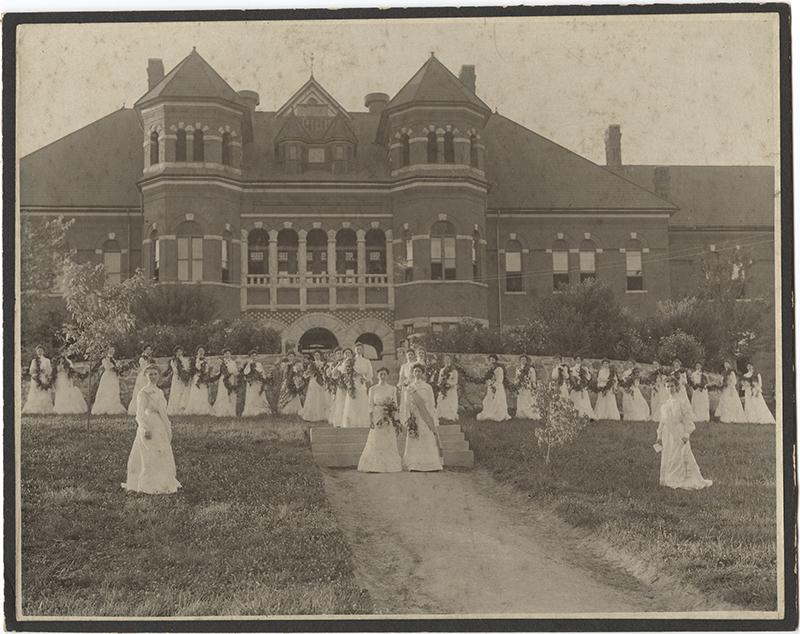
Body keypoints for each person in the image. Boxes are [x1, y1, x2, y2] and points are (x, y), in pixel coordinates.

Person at [122, 364, 181, 494]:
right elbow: (140, 413)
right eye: (150, 374)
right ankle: (148, 483)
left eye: (155, 374)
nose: (153, 377)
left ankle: (163, 481)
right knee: (150, 453)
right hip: (149, 424)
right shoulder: (143, 392)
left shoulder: (159, 391)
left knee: (162, 451)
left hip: (159, 424)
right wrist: (144, 428)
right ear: (145, 376)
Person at [654, 378, 712, 490]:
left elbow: (688, 421)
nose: (670, 389)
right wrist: (659, 436)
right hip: (667, 434)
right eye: (667, 386)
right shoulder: (664, 404)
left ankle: (677, 478)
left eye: (672, 386)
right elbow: (662, 422)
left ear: (676, 387)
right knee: (668, 455)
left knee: (679, 455)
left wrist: (686, 435)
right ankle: (668, 478)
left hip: (679, 433)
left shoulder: (682, 402)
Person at [358, 367, 403, 473]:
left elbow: (395, 404)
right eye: (380, 374)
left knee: (388, 439)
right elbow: (370, 405)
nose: (382, 377)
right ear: (377, 376)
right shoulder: (373, 389)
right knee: (376, 439)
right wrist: (371, 420)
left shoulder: (393, 389)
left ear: (388, 376)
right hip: (377, 415)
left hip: (388, 415)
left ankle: (389, 464)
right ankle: (375, 465)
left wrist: (393, 416)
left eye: (384, 374)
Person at [402, 363, 443, 472]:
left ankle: (431, 464)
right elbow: (406, 405)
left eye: (419, 371)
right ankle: (414, 464)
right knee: (415, 438)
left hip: (425, 417)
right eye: (415, 371)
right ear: (412, 373)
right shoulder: (410, 388)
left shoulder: (427, 387)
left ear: (423, 373)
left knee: (426, 437)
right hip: (414, 417)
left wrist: (431, 417)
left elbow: (431, 404)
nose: (417, 373)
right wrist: (408, 418)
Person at [341, 344, 374, 428]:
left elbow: (369, 375)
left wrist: (365, 378)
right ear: (354, 350)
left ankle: (363, 423)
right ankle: (351, 423)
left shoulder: (366, 361)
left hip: (361, 382)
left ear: (362, 350)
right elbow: (343, 370)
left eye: (360, 349)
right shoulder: (351, 360)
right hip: (353, 382)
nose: (359, 351)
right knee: (352, 400)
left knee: (362, 400)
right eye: (357, 349)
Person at [91, 346, 127, 415]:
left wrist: (118, 368)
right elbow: (107, 366)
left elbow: (116, 366)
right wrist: (114, 367)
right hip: (108, 376)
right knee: (106, 390)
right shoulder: (104, 359)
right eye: (111, 349)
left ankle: (113, 407)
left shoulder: (113, 359)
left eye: (113, 350)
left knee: (113, 391)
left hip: (113, 376)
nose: (112, 351)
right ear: (107, 350)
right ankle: (103, 408)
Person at [476, 354, 511, 421]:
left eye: (493, 359)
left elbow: (500, 379)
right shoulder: (490, 368)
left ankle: (499, 414)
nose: (492, 361)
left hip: (498, 386)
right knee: (490, 399)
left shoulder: (499, 368)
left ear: (496, 360)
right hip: (491, 385)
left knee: (498, 400)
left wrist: (495, 386)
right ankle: (489, 413)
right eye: (490, 360)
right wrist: (490, 384)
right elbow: (488, 377)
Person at [22, 345, 54, 415]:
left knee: (44, 391)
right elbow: (31, 370)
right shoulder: (34, 361)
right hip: (36, 378)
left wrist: (46, 375)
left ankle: (45, 409)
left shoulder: (47, 360)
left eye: (41, 350)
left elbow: (49, 370)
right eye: (38, 350)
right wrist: (36, 373)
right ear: (36, 352)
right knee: (36, 392)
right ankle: (35, 408)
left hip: (44, 377)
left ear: (43, 351)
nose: (40, 352)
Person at [241, 350, 273, 417]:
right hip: (253, 382)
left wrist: (264, 379)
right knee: (253, 395)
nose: (254, 357)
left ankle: (261, 410)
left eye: (255, 356)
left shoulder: (259, 364)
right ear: (250, 356)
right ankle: (253, 410)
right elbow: (246, 373)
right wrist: (251, 377)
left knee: (260, 394)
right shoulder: (249, 364)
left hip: (259, 383)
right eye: (253, 356)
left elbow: (262, 373)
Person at [300, 351, 329, 422]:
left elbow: (325, 373)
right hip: (313, 381)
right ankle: (311, 414)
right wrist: (309, 372)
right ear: (313, 356)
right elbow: (306, 374)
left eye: (318, 355)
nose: (316, 356)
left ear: (320, 356)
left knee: (320, 396)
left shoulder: (323, 364)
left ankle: (320, 414)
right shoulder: (311, 364)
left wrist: (321, 372)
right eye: (315, 355)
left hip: (320, 382)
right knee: (312, 396)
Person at [184, 347, 212, 415]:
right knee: (196, 391)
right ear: (197, 352)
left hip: (203, 378)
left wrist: (205, 375)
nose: (201, 352)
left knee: (203, 391)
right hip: (197, 377)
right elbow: (197, 367)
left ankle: (203, 409)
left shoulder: (205, 360)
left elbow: (207, 369)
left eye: (202, 350)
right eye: (200, 350)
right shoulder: (195, 359)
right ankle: (195, 408)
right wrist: (198, 360)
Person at [127, 345, 154, 416]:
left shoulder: (150, 358)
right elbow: (144, 368)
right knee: (141, 392)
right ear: (144, 350)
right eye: (147, 349)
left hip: (148, 375)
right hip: (143, 376)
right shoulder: (142, 358)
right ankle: (137, 409)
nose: (148, 351)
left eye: (150, 349)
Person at [211, 348, 239, 417]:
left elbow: (236, 371)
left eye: (229, 353)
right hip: (223, 379)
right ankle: (222, 411)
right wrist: (218, 364)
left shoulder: (233, 362)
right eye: (226, 353)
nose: (227, 355)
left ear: (230, 354)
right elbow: (215, 371)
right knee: (223, 393)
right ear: (223, 354)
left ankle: (230, 411)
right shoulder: (221, 362)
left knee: (230, 393)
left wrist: (233, 374)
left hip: (230, 379)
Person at [166, 346, 191, 415]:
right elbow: (175, 369)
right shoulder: (173, 360)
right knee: (176, 391)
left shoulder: (185, 360)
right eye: (178, 351)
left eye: (180, 351)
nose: (179, 353)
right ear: (175, 352)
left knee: (184, 391)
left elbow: (187, 368)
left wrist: (185, 375)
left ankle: (182, 409)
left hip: (183, 378)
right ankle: (174, 409)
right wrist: (178, 370)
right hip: (177, 377)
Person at [514, 355, 540, 420]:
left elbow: (533, 378)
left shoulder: (530, 368)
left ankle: (530, 414)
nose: (523, 361)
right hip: (520, 386)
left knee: (528, 399)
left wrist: (533, 385)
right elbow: (517, 377)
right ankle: (521, 414)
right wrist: (517, 384)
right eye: (522, 360)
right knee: (521, 399)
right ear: (520, 361)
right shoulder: (518, 368)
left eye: (524, 360)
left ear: (527, 361)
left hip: (528, 386)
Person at [435, 354, 460, 421]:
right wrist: (441, 385)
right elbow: (439, 380)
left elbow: (455, 380)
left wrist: (450, 384)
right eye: (445, 359)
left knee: (451, 402)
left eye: (448, 359)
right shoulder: (442, 370)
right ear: (443, 360)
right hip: (444, 388)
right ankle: (442, 415)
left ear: (450, 360)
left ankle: (451, 416)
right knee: (442, 401)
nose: (447, 360)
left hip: (451, 388)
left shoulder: (454, 370)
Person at [328, 348, 346, 426]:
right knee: (339, 401)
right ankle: (339, 420)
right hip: (339, 384)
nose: (340, 355)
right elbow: (333, 375)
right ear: (336, 355)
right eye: (338, 353)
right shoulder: (334, 364)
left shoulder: (346, 362)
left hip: (347, 384)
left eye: (341, 353)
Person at [398, 348, 418, 421]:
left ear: (414, 355)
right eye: (409, 354)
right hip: (407, 384)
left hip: (415, 383)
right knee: (406, 401)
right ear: (406, 356)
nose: (410, 356)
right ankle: (407, 418)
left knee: (414, 401)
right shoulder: (404, 366)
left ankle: (415, 417)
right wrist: (401, 384)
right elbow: (401, 377)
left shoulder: (416, 364)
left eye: (412, 354)